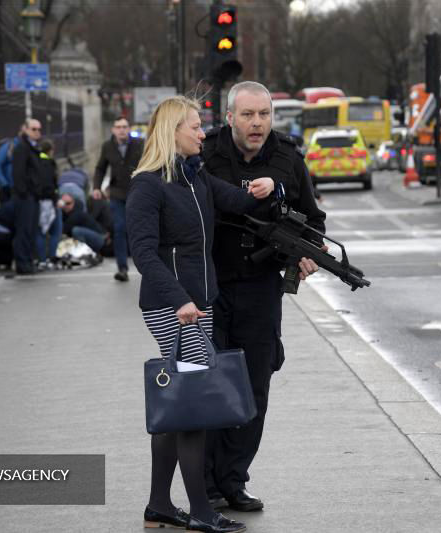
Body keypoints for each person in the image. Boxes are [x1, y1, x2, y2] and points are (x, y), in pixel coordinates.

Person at [126, 96, 275, 533]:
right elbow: (143, 253)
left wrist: (270, 187)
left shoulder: (196, 178)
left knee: (180, 406)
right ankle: (200, 512)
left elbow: (241, 202)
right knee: (192, 408)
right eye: (194, 126)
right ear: (173, 131)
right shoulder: (148, 184)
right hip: (172, 306)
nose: (202, 133)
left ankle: (159, 506)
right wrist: (178, 300)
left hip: (197, 304)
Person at [201, 81, 326, 512]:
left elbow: (314, 220)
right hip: (210, 286)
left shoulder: (288, 158)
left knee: (254, 386)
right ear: (230, 117)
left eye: (264, 115)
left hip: (260, 287)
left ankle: (233, 480)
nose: (257, 124)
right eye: (248, 115)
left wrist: (307, 254)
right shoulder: (205, 153)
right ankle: (207, 484)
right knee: (211, 384)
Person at [93, 116, 143, 282]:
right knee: (119, 228)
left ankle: (146, 266)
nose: (122, 130)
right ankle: (122, 268)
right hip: (116, 193)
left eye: (124, 126)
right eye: (118, 127)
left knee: (139, 229)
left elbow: (149, 163)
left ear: (128, 129)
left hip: (137, 193)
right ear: (113, 130)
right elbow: (100, 168)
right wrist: (96, 187)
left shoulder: (139, 144)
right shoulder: (108, 146)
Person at [11, 118, 43, 274]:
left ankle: (28, 261)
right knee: (24, 230)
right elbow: (18, 173)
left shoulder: (34, 148)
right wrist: (24, 192)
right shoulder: (22, 148)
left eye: (39, 129)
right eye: (33, 129)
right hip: (25, 197)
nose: (37, 132)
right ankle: (23, 263)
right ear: (25, 129)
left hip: (33, 196)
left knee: (31, 230)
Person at [34, 139, 62, 269]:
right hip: (49, 201)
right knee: (55, 230)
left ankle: (41, 260)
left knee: (40, 231)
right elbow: (50, 185)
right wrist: (56, 199)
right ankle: (50, 257)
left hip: (38, 200)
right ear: (50, 151)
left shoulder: (35, 161)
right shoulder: (48, 163)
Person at [0, 124, 26, 205]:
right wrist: (4, 184)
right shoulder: (10, 146)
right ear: (20, 132)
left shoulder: (32, 148)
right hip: (10, 190)